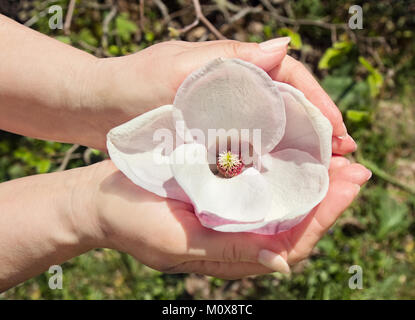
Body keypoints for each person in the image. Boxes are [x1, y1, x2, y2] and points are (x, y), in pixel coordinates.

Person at [0, 14, 371, 292]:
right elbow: (130, 141)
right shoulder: (179, 149)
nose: (231, 160)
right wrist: (81, 208)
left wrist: (93, 95)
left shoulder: (291, 143)